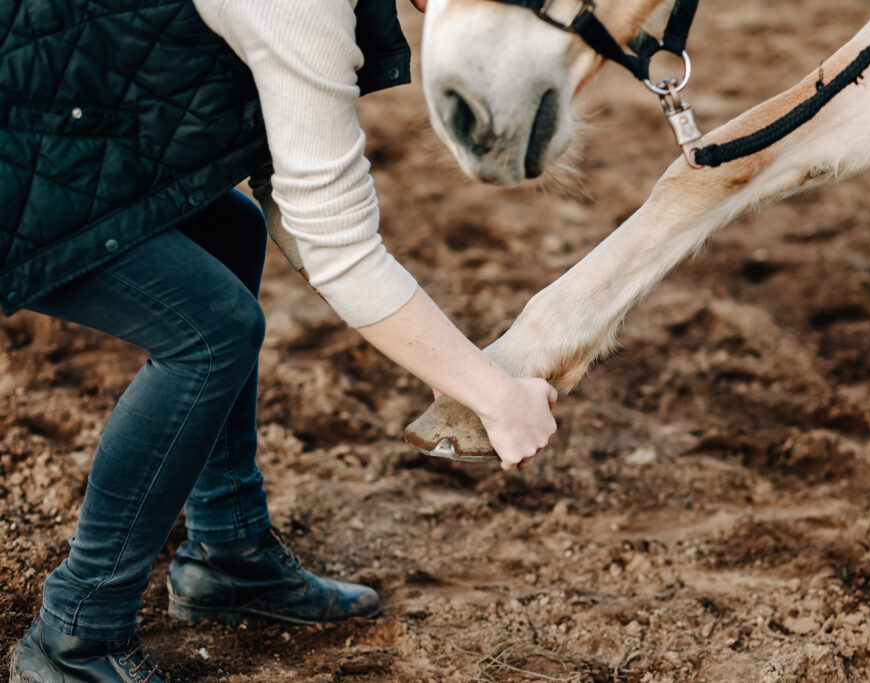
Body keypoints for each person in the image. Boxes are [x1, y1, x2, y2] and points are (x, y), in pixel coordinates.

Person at [3, 0, 558, 680]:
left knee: (229, 228)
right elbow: (340, 247)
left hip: (67, 122)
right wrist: (499, 399)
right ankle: (76, 635)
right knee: (209, 333)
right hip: (22, 156)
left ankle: (227, 553)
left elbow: (288, 194)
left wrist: (448, 366)